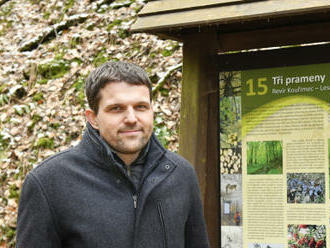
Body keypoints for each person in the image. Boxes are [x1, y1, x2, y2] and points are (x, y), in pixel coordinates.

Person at [16, 61, 210, 248]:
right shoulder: (49, 183)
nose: (132, 119)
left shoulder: (180, 175)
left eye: (141, 107)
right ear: (93, 118)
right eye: (116, 109)